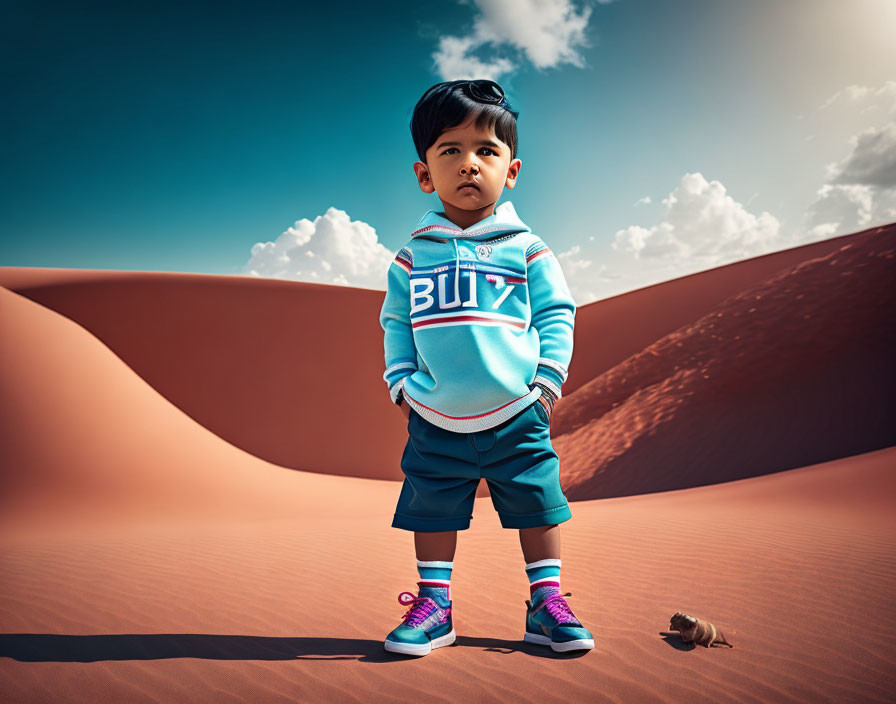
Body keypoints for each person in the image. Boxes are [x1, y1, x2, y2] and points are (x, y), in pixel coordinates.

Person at [378, 79, 593, 656]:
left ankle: (546, 603)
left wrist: (546, 381)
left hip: (517, 410)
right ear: (425, 174)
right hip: (434, 411)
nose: (469, 164)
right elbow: (395, 320)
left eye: (486, 151)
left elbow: (556, 313)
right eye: (451, 150)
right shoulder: (412, 253)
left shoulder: (527, 248)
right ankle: (435, 607)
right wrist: (400, 381)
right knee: (431, 504)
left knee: (537, 501)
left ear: (512, 170)